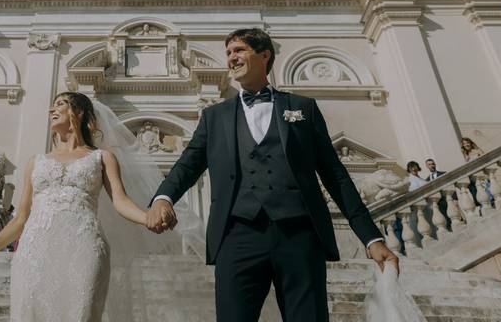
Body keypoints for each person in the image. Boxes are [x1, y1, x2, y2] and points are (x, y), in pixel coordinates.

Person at [146, 28, 397, 322]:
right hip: (236, 235)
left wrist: (371, 238)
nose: (231, 58)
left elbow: (335, 175)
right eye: (228, 53)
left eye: (238, 50)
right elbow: (187, 164)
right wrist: (163, 197)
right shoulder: (215, 117)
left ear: (264, 54)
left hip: (300, 234)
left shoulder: (303, 108)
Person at [0, 91, 150, 321]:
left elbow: (121, 200)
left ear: (78, 112)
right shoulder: (36, 162)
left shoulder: (103, 158)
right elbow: (20, 218)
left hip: (84, 248)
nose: (51, 110)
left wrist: (147, 217)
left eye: (60, 104)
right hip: (34, 252)